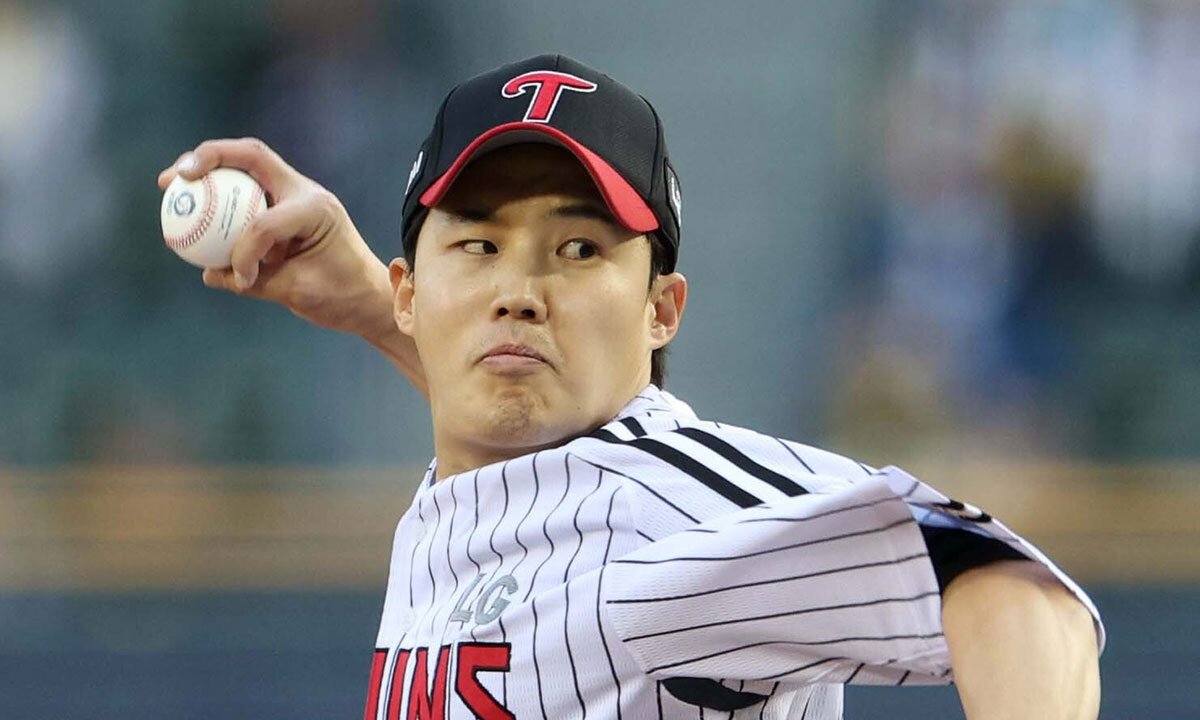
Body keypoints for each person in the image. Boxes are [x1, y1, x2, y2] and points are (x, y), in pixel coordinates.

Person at [158, 54, 1102, 719]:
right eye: (477, 244)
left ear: (662, 310)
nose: (518, 292)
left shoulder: (665, 513)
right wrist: (370, 305)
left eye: (578, 249)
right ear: (413, 291)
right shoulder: (485, 482)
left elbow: (1015, 592)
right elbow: (528, 458)